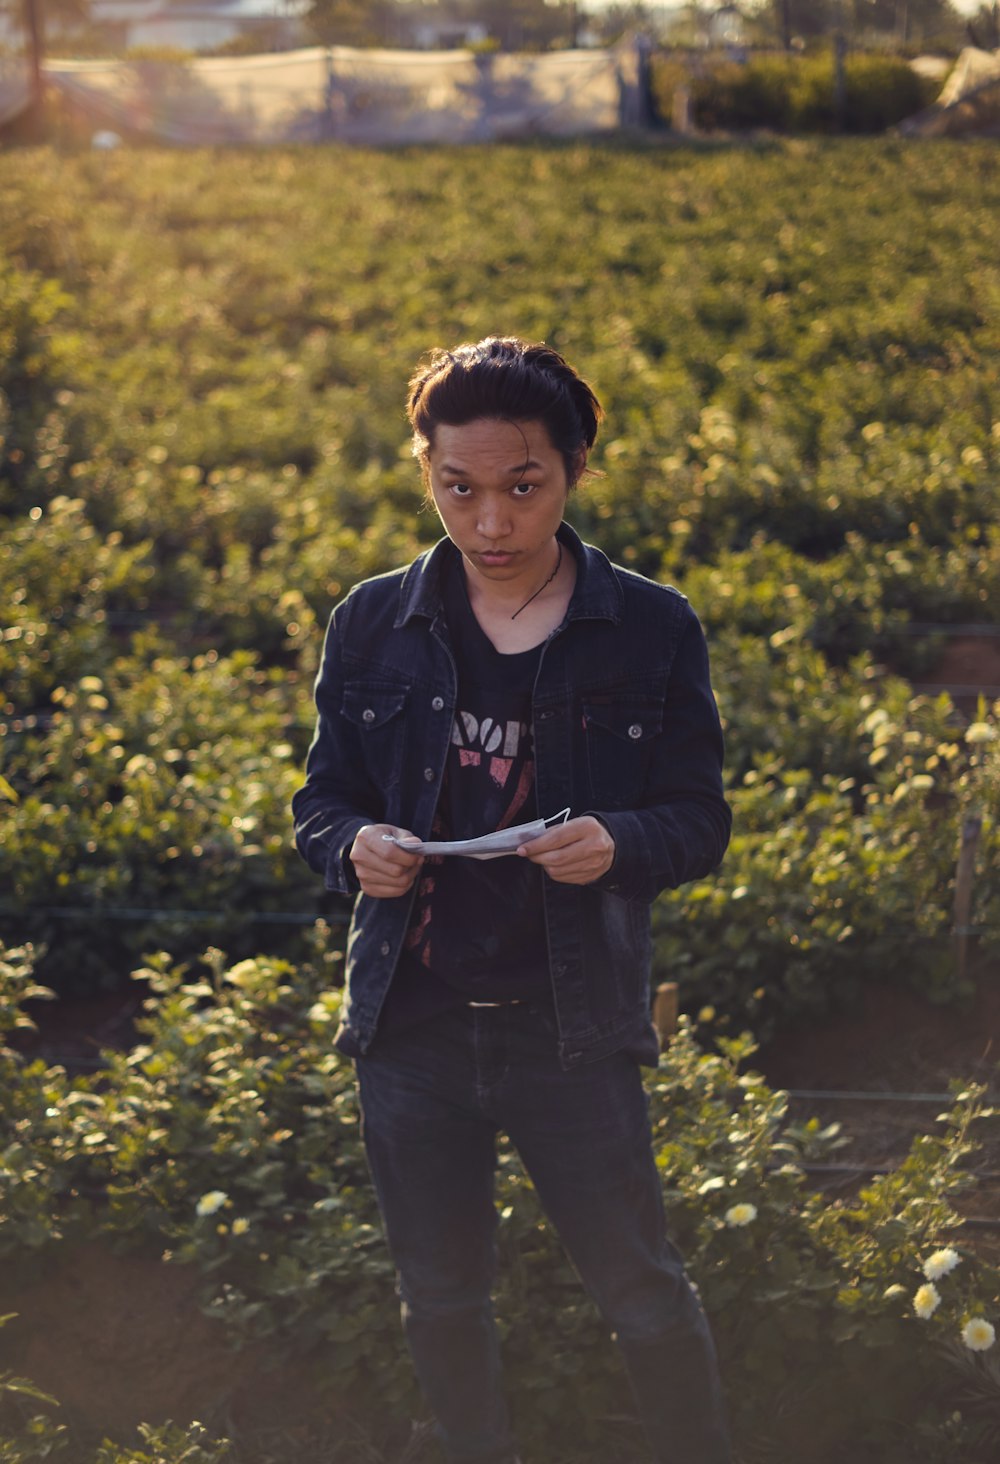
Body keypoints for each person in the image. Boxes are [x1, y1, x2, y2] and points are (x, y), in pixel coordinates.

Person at [292, 337, 733, 1464]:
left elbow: (698, 819)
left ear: (575, 470)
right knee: (439, 1292)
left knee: (638, 1286)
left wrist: (616, 844)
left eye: (522, 488)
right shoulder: (372, 623)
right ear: (426, 471)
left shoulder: (646, 626)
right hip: (414, 1026)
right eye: (459, 488)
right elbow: (322, 804)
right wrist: (357, 851)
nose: (490, 521)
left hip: (569, 1028)